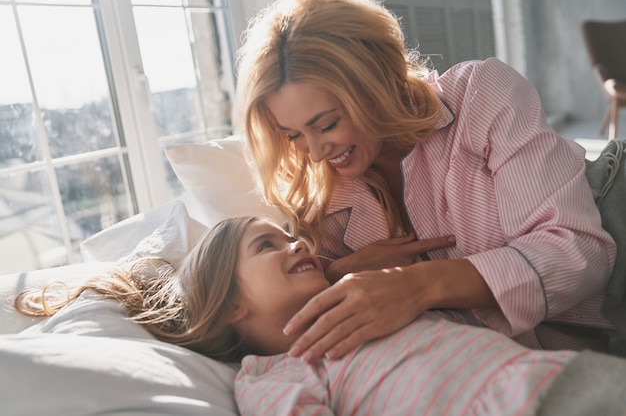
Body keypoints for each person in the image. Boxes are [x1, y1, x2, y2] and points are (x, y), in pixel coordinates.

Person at [234, 0, 618, 361]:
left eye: (328, 124)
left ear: (377, 82)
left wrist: (418, 285)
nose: (315, 152)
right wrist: (336, 276)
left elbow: (578, 252)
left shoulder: (481, 94)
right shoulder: (319, 199)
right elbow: (292, 323)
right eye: (293, 135)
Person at [14, 216, 626, 415]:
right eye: (268, 246)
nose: (298, 245)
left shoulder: (374, 302)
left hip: (562, 375)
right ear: (232, 304)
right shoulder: (274, 372)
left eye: (291, 237)